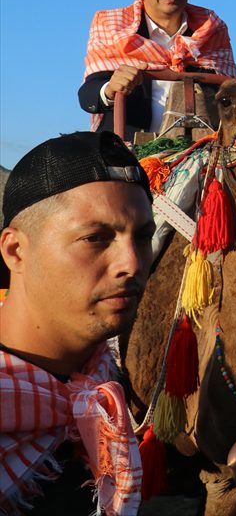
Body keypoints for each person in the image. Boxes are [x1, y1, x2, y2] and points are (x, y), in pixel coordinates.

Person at [0, 131, 154, 515]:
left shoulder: (103, 383)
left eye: (143, 237)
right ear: (16, 251)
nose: (132, 264)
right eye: (95, 238)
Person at [79, 0, 236, 138]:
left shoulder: (211, 29)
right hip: (127, 156)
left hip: (202, 152)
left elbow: (232, 95)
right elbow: (88, 94)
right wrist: (111, 88)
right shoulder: (113, 27)